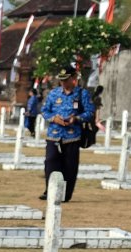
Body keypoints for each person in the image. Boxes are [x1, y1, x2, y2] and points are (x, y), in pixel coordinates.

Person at [40, 66, 94, 203]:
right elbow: (44, 110)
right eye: (61, 80)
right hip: (54, 134)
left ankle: (66, 194)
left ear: (73, 79)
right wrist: (54, 118)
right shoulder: (53, 94)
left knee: (69, 166)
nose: (63, 83)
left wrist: (76, 118)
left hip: (72, 135)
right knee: (51, 163)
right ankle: (50, 191)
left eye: (66, 80)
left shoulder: (82, 94)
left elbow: (89, 112)